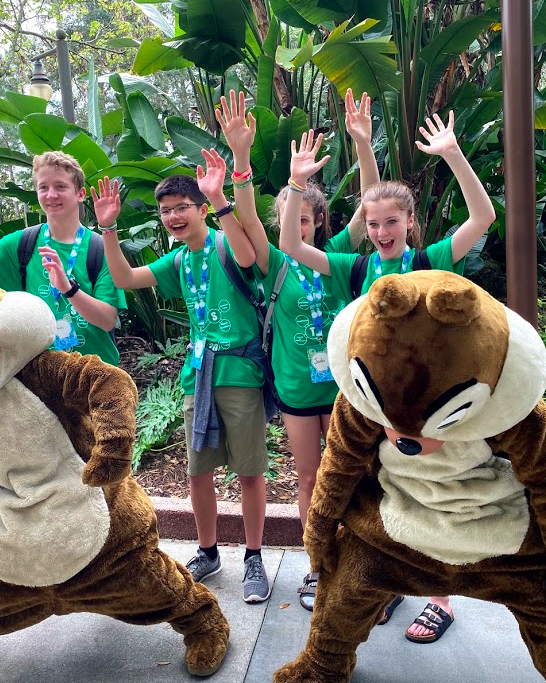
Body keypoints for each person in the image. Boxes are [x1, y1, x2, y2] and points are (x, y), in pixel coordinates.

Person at [280, 111, 496, 643]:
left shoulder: (432, 258)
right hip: (368, 405)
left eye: (391, 223)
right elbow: (290, 246)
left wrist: (452, 154)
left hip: (426, 405)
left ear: (409, 222)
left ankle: (440, 599)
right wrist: (295, 184)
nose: (380, 232)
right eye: (373, 225)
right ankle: (390, 583)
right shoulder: (352, 269)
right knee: (378, 491)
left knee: (432, 492)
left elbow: (483, 217)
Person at [215, 88, 378, 611]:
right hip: (294, 388)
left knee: (357, 472)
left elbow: (372, 208)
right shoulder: (273, 265)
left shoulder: (337, 258)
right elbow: (247, 219)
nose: (298, 226)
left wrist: (363, 145)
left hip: (346, 389)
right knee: (309, 476)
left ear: (317, 224)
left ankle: (361, 556)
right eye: (290, 219)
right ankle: (316, 565)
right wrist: (246, 160)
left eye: (305, 219)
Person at [96, 153, 273, 604]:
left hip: (240, 371)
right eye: (166, 210)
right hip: (198, 375)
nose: (174, 216)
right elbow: (125, 276)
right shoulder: (178, 261)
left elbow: (249, 255)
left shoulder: (220, 244)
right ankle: (209, 551)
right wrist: (109, 229)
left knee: (250, 471)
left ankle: (253, 557)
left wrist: (221, 200)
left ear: (199, 209)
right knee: (198, 473)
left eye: (182, 207)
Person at [0, 152, 127, 366]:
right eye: (43, 187)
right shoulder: (22, 244)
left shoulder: (101, 248)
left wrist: (68, 289)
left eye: (60, 186)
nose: (51, 194)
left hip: (98, 377)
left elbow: (107, 319)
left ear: (80, 194)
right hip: (43, 378)